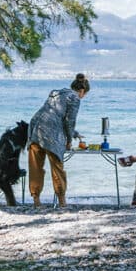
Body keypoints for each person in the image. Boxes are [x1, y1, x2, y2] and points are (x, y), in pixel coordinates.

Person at [26, 73, 90, 208]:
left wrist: (74, 134)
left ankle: (36, 201)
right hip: (51, 132)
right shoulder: (75, 97)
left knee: (35, 167)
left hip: (35, 128)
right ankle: (62, 202)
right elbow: (69, 121)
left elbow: (54, 114)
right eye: (85, 94)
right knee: (57, 167)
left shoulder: (56, 93)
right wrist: (68, 141)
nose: (83, 97)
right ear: (82, 91)